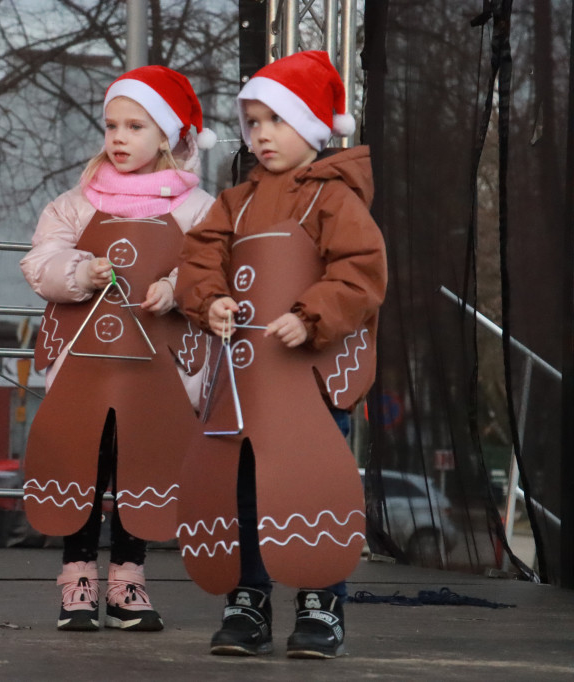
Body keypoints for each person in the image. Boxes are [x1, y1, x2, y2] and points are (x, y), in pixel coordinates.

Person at [176, 51, 387, 658]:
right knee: (242, 488)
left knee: (310, 485)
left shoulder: (334, 199)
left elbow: (361, 272)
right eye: (254, 121)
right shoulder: (234, 201)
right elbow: (200, 259)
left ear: (314, 128)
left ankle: (321, 604)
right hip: (246, 383)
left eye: (278, 120)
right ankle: (248, 599)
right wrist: (210, 300)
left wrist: (310, 313)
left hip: (310, 383)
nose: (263, 134)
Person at [20, 65, 216, 632]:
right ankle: (77, 576)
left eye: (135, 126)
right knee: (86, 462)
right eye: (111, 126)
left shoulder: (196, 209)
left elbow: (211, 266)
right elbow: (40, 261)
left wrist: (176, 287)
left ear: (169, 136)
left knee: (141, 463)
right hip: (84, 370)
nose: (119, 138)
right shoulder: (75, 203)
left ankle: (129, 577)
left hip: (158, 371)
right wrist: (81, 270)